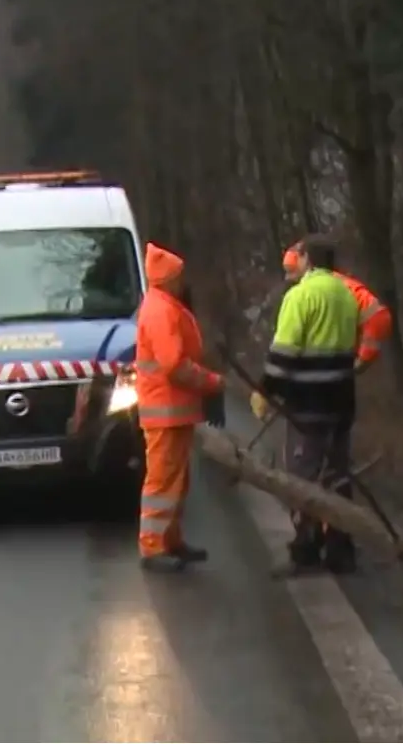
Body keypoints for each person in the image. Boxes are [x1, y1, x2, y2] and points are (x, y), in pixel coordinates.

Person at [255, 234, 360, 575]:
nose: (293, 262)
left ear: (308, 260)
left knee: (302, 475)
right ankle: (340, 547)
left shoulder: (301, 296)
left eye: (297, 256)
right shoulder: (346, 295)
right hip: (342, 400)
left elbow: (283, 353)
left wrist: (266, 391)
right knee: (337, 473)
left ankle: (306, 547)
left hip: (308, 403)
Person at [135, 242, 226, 573]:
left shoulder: (163, 305)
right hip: (165, 409)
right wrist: (211, 382)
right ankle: (153, 546)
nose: (183, 280)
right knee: (162, 480)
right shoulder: (161, 310)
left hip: (172, 409)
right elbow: (174, 364)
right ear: (169, 278)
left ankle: (169, 540)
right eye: (179, 275)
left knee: (176, 479)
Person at [282, 241, 393, 372]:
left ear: (306, 259)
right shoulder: (334, 283)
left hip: (372, 321)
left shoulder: (318, 290)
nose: (287, 277)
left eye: (291, 271)